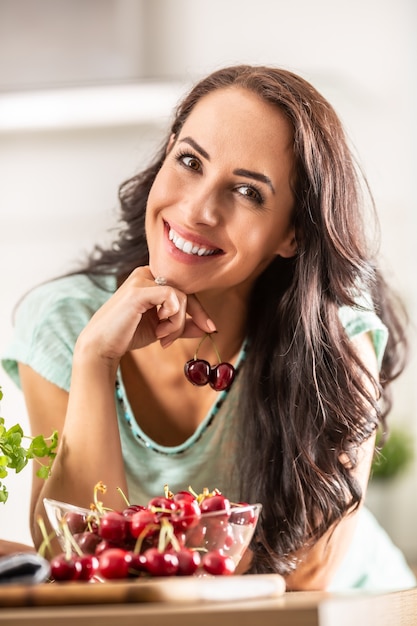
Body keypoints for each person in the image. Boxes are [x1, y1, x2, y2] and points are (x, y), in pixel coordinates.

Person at [2, 64, 415, 591]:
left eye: (248, 192)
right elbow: (74, 562)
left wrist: (148, 572)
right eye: (190, 161)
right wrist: (95, 360)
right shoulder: (65, 321)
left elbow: (309, 577)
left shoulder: (335, 339)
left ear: (292, 233)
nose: (197, 209)